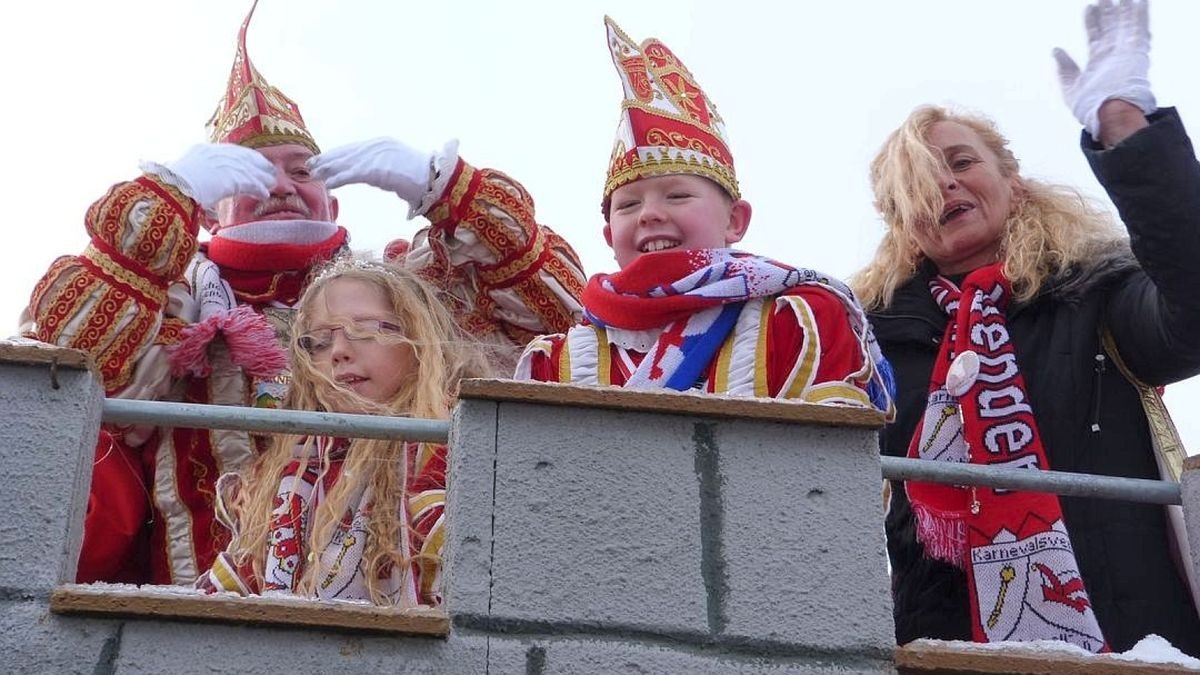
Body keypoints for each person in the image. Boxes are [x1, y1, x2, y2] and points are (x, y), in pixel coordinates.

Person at [20, 2, 583, 586]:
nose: (281, 187)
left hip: (383, 588)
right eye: (250, 174)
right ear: (211, 212)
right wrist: (164, 199)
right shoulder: (169, 307)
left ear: (333, 203)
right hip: (191, 614)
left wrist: (449, 189)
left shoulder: (404, 289)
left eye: (302, 170)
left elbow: (563, 317)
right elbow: (54, 370)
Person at [853, 0, 1200, 655]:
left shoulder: (1093, 290)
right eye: (917, 183)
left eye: (961, 162)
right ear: (902, 222)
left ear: (1012, 181)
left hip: (1132, 638)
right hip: (949, 644)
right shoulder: (868, 339)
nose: (943, 185)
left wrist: (1127, 129)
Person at [516, 17, 893, 413]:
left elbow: (831, 463)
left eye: (677, 196)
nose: (650, 214)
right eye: (628, 204)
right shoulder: (556, 361)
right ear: (609, 236)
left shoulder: (800, 320)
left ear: (735, 221)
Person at [195, 256, 484, 606]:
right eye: (319, 341)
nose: (340, 352)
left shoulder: (456, 450)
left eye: (365, 330)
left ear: (420, 340)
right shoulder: (289, 468)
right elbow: (228, 597)